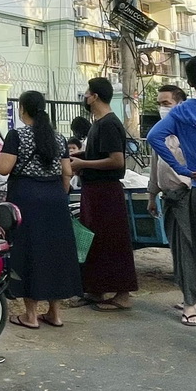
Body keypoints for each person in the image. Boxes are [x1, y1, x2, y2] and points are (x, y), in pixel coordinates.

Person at [0, 91, 81, 329]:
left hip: (27, 198)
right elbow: (67, 172)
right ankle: (55, 313)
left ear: (22, 108)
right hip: (54, 199)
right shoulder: (58, 137)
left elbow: (3, 168)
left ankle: (30, 315)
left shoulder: (17, 135)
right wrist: (60, 195)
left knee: (28, 251)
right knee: (55, 252)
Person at [148, 55, 196, 337]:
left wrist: (185, 170)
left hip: (193, 193)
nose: (162, 107)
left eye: (164, 103)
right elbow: (154, 151)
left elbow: (153, 138)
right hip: (185, 193)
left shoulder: (181, 116)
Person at [69, 77, 137, 311]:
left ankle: (122, 293)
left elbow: (116, 161)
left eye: (87, 93)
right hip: (94, 192)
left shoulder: (109, 123)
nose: (85, 97)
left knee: (112, 242)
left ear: (95, 96)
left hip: (106, 192)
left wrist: (83, 165)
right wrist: (81, 158)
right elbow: (98, 152)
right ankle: (96, 289)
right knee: (94, 242)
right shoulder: (98, 123)